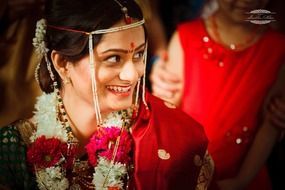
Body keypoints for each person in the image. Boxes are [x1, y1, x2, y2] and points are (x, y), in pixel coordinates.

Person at [0, 0, 216, 189]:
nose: (132, 75)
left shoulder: (166, 137)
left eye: (139, 54)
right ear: (63, 64)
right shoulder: (15, 151)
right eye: (114, 58)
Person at [150, 0, 285, 189]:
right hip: (188, 172)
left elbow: (271, 124)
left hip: (245, 175)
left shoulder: (278, 49)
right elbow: (168, 116)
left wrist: (241, 181)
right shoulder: (186, 37)